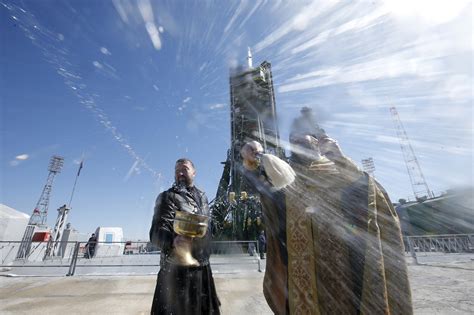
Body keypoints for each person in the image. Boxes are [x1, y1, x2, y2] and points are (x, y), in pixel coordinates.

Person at [241, 133, 413, 314]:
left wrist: (341, 159)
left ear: (316, 143)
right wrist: (252, 160)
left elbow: (370, 197)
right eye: (292, 142)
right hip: (300, 266)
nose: (295, 143)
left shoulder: (339, 170)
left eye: (301, 139)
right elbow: (261, 189)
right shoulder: (286, 175)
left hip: (343, 266)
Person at [149, 158, 220, 315]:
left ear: (194, 173)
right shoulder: (166, 197)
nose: (180, 173)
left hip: (203, 270)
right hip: (175, 273)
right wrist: (172, 241)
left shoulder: (203, 197)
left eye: (184, 169)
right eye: (177, 170)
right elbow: (155, 233)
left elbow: (209, 228)